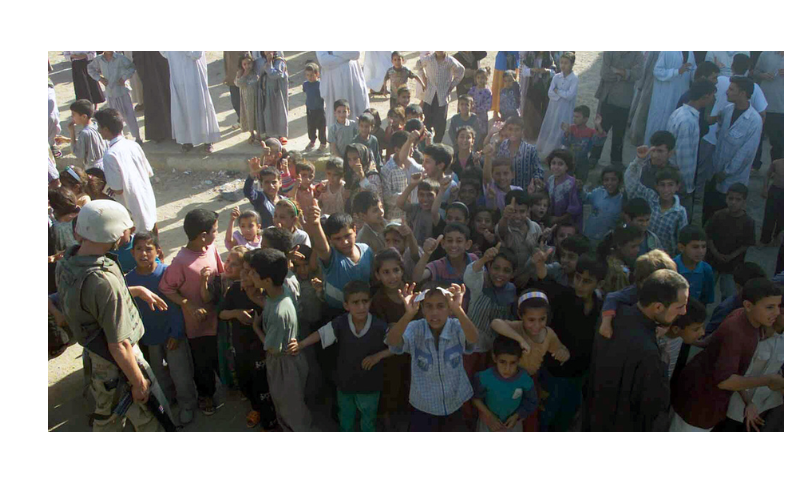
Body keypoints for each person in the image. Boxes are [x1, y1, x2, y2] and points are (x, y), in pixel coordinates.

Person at [56, 200, 164, 432]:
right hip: (117, 361)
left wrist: (134, 290)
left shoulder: (68, 262)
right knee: (144, 416)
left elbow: (88, 303)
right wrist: (138, 382)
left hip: (96, 353)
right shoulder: (103, 281)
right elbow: (119, 344)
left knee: (109, 414)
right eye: (125, 228)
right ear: (112, 233)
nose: (128, 233)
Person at [583, 269, 690, 431]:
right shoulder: (649, 352)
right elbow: (650, 407)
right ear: (658, 307)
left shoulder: (613, 316)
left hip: (593, 412)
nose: (684, 312)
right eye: (680, 307)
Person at [671, 278, 783, 432]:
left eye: (778, 306)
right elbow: (725, 382)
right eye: (770, 307)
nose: (777, 312)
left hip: (709, 404)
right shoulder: (736, 332)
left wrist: (748, 401)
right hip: (699, 404)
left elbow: (711, 342)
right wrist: (768, 380)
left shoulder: (747, 318)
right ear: (748, 305)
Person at [288, 280, 391, 432]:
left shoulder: (380, 326)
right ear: (346, 305)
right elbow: (320, 334)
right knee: (346, 418)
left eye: (365, 301)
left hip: (370, 386)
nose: (361, 307)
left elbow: (397, 347)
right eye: (355, 302)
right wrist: (301, 344)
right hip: (345, 384)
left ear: (370, 302)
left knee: (369, 419)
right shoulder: (340, 323)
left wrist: (378, 356)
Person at [158, 209, 225, 416]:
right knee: (202, 363)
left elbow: (221, 275)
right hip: (197, 326)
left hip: (218, 317)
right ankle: (206, 396)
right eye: (214, 229)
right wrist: (187, 304)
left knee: (219, 356)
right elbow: (166, 287)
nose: (217, 232)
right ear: (202, 235)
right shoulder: (181, 261)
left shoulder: (211, 248)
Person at [386, 283, 479, 431]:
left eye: (441, 306)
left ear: (449, 309)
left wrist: (458, 309)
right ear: (422, 310)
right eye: (428, 306)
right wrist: (408, 314)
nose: (434, 312)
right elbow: (392, 342)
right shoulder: (416, 328)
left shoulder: (456, 325)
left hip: (454, 403)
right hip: (423, 406)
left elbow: (474, 338)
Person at [126, 232, 196, 426]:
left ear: (158, 251)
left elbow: (178, 306)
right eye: (138, 249)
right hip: (149, 337)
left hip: (173, 335)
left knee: (180, 373)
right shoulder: (129, 281)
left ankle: (187, 405)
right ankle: (168, 401)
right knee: (158, 373)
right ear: (132, 253)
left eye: (148, 248)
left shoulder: (167, 273)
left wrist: (177, 332)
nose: (144, 253)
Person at [534, 254, 607, 431]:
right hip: (554, 372)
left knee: (565, 418)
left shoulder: (601, 305)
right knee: (545, 417)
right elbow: (545, 282)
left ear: (599, 284)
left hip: (579, 375)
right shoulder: (563, 297)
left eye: (587, 281)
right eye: (578, 278)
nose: (580, 285)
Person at [248, 248, 314, 432]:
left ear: (267, 280)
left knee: (289, 408)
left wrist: (256, 328)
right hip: (291, 361)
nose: (250, 275)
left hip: (283, 365)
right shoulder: (280, 290)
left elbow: (272, 349)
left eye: (253, 273)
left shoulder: (278, 313)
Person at [218, 248, 278, 430]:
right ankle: (255, 407)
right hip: (240, 347)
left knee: (263, 384)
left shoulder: (266, 293)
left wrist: (255, 298)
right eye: (242, 270)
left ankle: (269, 417)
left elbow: (276, 314)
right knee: (245, 380)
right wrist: (236, 313)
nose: (244, 275)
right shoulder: (234, 289)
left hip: (261, 347)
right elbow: (221, 313)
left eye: (249, 271)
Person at [704, 77, 763, 224]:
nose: (727, 92)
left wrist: (726, 172)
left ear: (742, 93)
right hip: (715, 172)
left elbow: (746, 153)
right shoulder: (727, 110)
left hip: (732, 179)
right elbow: (719, 134)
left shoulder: (754, 120)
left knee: (726, 218)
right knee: (708, 215)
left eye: (731, 89)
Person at [718, 299, 784, 432]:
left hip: (764, 406)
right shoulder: (755, 335)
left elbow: (778, 369)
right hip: (736, 404)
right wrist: (749, 403)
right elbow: (736, 372)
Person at [95, 109, 158, 234]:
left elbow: (117, 189)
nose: (98, 130)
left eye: (99, 127)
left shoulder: (110, 155)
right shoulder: (133, 145)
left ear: (106, 129)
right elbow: (148, 172)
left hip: (130, 205)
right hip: (146, 197)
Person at [596, 249, 678, 339]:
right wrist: (606, 323)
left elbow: (676, 308)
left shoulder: (668, 292)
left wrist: (666, 327)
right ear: (641, 281)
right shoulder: (634, 292)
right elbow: (612, 297)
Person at [666, 79, 717, 222]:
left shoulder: (680, 113)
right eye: (712, 95)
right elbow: (683, 157)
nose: (714, 99)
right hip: (681, 185)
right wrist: (685, 187)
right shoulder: (687, 121)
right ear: (705, 97)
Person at [624, 145, 687, 256]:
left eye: (670, 185)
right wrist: (638, 160)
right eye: (662, 185)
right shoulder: (650, 197)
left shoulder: (680, 213)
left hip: (665, 257)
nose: (666, 190)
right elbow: (631, 182)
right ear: (656, 187)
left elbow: (681, 241)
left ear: (677, 187)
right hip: (643, 253)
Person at [471, 336, 538, 431]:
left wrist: (516, 416)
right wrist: (489, 416)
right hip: (488, 422)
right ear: (494, 358)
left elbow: (531, 401)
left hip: (513, 423)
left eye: (513, 363)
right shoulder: (484, 377)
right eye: (502, 362)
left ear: (519, 360)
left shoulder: (525, 379)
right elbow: (475, 398)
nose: (507, 369)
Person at [160, 51, 221, 154]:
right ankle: (186, 140)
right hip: (178, 75)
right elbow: (164, 53)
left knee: (200, 106)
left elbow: (196, 54)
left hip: (194, 75)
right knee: (182, 107)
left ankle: (207, 140)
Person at [705, 182, 756, 300]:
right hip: (712, 261)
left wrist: (731, 256)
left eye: (738, 199)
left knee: (728, 295)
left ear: (744, 201)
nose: (733, 202)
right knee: (706, 289)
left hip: (733, 265)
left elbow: (746, 244)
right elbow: (708, 236)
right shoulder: (718, 216)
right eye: (730, 198)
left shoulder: (748, 222)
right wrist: (716, 253)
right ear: (726, 198)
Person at [593, 51, 644, 165]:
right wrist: (626, 74)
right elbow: (605, 73)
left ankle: (616, 162)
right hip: (607, 98)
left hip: (624, 101)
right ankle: (593, 158)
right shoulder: (609, 51)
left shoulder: (637, 55)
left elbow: (638, 74)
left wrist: (618, 71)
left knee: (619, 134)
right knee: (601, 130)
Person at [88, 51, 142, 144]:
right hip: (110, 92)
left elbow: (131, 67)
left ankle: (137, 137)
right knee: (114, 117)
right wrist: (100, 78)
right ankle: (120, 137)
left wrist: (124, 78)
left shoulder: (120, 58)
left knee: (129, 115)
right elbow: (90, 68)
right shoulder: (99, 60)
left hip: (122, 91)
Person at [643, 51, 696, 145]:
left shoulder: (690, 53)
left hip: (679, 97)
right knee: (658, 125)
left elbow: (692, 71)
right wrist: (677, 72)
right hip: (664, 97)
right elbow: (657, 71)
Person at [705, 262, 767, 336]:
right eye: (755, 289)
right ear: (739, 287)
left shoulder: (762, 303)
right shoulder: (727, 308)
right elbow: (710, 335)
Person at [496, 191, 542, 287]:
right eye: (513, 212)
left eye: (522, 211)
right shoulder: (503, 226)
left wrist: (528, 274)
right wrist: (505, 217)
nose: (517, 216)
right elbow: (502, 231)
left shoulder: (535, 227)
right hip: (509, 280)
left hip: (531, 277)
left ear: (528, 210)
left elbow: (538, 252)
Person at [537, 52, 579, 158]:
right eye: (561, 63)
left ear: (572, 64)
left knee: (561, 127)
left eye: (566, 63)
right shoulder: (556, 77)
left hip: (565, 108)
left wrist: (558, 92)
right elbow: (550, 93)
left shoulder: (574, 79)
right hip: (554, 107)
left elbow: (570, 95)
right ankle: (547, 149)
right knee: (552, 125)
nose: (563, 65)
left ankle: (560, 150)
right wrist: (560, 94)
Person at [418, 51, 465, 143]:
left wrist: (452, 85)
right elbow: (418, 64)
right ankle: (426, 143)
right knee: (426, 121)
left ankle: (437, 143)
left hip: (442, 96)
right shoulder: (429, 59)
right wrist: (424, 79)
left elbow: (461, 70)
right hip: (429, 95)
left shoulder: (450, 61)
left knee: (440, 124)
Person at [488, 116, 545, 191]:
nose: (513, 133)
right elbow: (498, 164)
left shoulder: (530, 149)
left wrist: (535, 180)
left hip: (524, 191)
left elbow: (538, 170)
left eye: (517, 130)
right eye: (510, 129)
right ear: (505, 130)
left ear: (522, 131)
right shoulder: (503, 145)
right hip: (505, 191)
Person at [316, 51, 369, 127]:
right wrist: (346, 58)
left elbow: (355, 53)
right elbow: (324, 61)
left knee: (357, 112)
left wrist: (333, 52)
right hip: (333, 83)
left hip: (352, 78)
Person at [413, 223, 477, 286]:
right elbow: (417, 278)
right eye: (449, 241)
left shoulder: (473, 259)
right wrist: (426, 254)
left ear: (468, 244)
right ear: (443, 243)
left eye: (459, 241)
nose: (453, 245)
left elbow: (485, 281)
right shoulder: (439, 266)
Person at [131, 51, 172, 142]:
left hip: (163, 61)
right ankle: (157, 133)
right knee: (152, 96)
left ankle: (174, 130)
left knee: (168, 93)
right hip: (147, 64)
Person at [752, 51, 784, 169]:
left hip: (783, 107)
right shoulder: (766, 54)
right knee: (758, 137)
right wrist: (762, 75)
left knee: (779, 142)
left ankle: (777, 170)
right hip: (765, 104)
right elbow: (755, 72)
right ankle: (755, 165)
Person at [561, 105, 607, 182]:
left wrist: (598, 125)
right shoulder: (571, 128)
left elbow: (599, 142)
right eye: (574, 116)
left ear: (585, 119)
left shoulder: (590, 132)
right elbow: (565, 143)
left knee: (581, 181)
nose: (574, 119)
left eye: (577, 117)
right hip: (569, 159)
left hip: (583, 161)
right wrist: (566, 133)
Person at [519, 51, 557, 142]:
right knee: (531, 111)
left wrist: (546, 71)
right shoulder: (530, 56)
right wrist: (533, 70)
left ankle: (542, 134)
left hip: (544, 87)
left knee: (543, 110)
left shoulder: (548, 57)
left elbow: (554, 72)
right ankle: (531, 134)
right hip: (532, 87)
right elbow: (523, 71)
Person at [674, 225, 715, 306]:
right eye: (695, 247)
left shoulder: (706, 270)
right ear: (681, 247)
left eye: (703, 246)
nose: (701, 251)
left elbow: (706, 300)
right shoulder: (671, 268)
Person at [583, 166, 624, 245]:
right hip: (588, 236)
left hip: (606, 241)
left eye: (613, 179)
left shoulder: (622, 200)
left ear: (619, 181)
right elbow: (585, 198)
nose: (609, 183)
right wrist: (580, 189)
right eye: (606, 180)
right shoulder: (598, 193)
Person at [544, 149, 583, 232]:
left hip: (568, 223)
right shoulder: (550, 180)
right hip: (552, 220)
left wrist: (558, 219)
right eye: (553, 163)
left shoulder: (572, 184)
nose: (556, 167)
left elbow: (574, 209)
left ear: (567, 166)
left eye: (560, 164)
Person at [255, 51, 289, 144]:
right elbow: (258, 73)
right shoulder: (260, 61)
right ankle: (269, 134)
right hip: (265, 91)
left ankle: (281, 134)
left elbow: (275, 74)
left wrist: (269, 63)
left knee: (279, 111)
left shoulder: (279, 61)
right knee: (267, 112)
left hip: (278, 92)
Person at [68, 99, 107, 170]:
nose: (71, 117)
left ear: (84, 117)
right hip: (105, 163)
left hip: (93, 168)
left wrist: (72, 132)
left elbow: (77, 153)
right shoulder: (97, 125)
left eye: (73, 114)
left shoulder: (84, 133)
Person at [234, 53, 259, 144]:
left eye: (249, 64)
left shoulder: (255, 73)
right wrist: (244, 75)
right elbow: (238, 83)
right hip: (246, 100)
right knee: (249, 116)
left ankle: (259, 134)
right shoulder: (240, 74)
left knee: (257, 115)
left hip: (256, 98)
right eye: (245, 64)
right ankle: (252, 133)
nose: (247, 66)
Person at [302, 62, 327, 153]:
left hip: (319, 110)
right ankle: (312, 141)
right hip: (309, 109)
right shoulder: (306, 84)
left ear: (317, 74)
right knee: (311, 127)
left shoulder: (320, 84)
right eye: (307, 75)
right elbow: (305, 92)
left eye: (312, 75)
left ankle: (323, 143)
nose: (310, 77)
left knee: (321, 128)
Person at [759, 158, 783, 246]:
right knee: (769, 215)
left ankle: (778, 237)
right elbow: (767, 174)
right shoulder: (777, 163)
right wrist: (765, 188)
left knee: (783, 217)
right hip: (775, 190)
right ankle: (765, 239)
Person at [490, 52, 519, 121]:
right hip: (502, 61)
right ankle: (496, 111)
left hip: (515, 60)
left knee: (513, 87)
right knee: (499, 87)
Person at [468, 68, 493, 146]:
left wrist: (477, 109)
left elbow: (488, 105)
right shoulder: (472, 89)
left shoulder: (487, 91)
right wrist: (469, 108)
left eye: (482, 78)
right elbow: (467, 99)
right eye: (478, 78)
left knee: (482, 134)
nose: (480, 80)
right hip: (472, 116)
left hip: (482, 117)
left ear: (486, 78)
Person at [223, 51, 249, 127]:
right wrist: (227, 75)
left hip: (243, 76)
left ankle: (247, 122)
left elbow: (247, 58)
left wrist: (244, 72)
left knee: (245, 101)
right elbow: (226, 60)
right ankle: (241, 120)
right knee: (235, 101)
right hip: (232, 77)